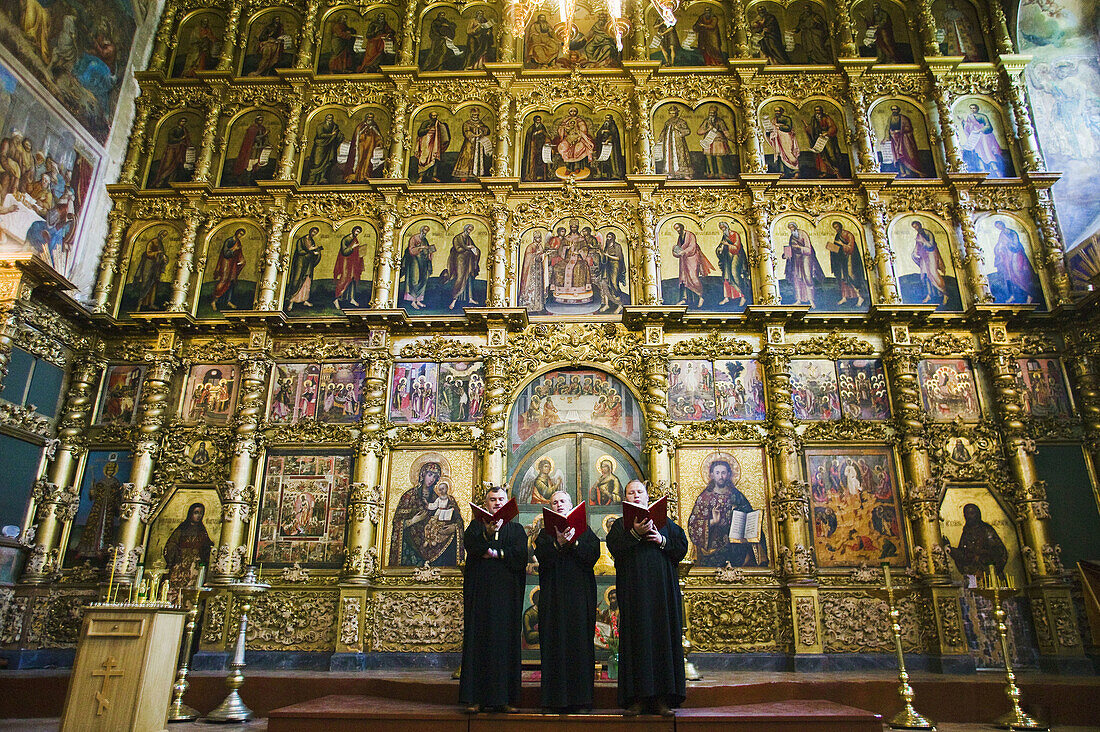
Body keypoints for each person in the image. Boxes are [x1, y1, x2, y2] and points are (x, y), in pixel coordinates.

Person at [607, 480, 688, 716]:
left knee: (662, 639)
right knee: (637, 641)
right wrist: (635, 533)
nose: (635, 496)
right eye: (631, 493)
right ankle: (637, 699)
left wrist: (661, 540)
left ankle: (663, 700)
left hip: (662, 595)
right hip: (634, 595)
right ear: (625, 498)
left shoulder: (664, 523)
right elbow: (615, 547)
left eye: (639, 492)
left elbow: (681, 546)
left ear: (646, 496)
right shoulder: (620, 525)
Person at [459, 486, 528, 713]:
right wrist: (488, 535)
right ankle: (475, 698)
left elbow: (519, 556)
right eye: (492, 499)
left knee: (505, 644)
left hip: (507, 599)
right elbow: (472, 545)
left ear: (507, 503)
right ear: (485, 504)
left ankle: (505, 699)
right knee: (478, 642)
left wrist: (495, 553)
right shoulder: (475, 527)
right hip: (481, 597)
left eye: (501, 499)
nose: (497, 503)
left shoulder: (516, 530)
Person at [535, 490, 599, 713]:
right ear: (550, 508)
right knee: (554, 645)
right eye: (554, 502)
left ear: (571, 505)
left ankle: (582, 700)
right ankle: (555, 700)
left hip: (580, 600)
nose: (559, 504)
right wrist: (558, 543)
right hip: (553, 602)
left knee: (580, 646)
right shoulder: (544, 534)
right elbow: (542, 556)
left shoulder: (585, 531)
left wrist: (574, 543)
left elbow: (592, 556)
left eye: (563, 501)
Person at [687, 459, 765, 567]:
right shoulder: (704, 498)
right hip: (712, 550)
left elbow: (750, 517)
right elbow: (693, 525)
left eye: (723, 473)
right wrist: (713, 522)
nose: (721, 476)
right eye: (717, 473)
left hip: (736, 548)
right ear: (711, 475)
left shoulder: (737, 496)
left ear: (728, 474)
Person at [388, 460, 465, 566]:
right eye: (429, 475)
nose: (431, 479)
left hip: (434, 542)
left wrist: (454, 527)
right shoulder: (409, 496)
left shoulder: (437, 498)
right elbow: (397, 523)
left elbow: (456, 520)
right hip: (412, 547)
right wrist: (413, 521)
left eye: (435, 477)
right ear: (423, 475)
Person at [163, 502, 214, 601]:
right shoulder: (182, 529)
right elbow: (171, 544)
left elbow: (206, 546)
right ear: (190, 513)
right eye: (196, 513)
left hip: (194, 566)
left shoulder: (202, 531)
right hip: (180, 564)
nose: (198, 516)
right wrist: (177, 553)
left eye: (200, 513)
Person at [946, 503, 1009, 577]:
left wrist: (981, 557)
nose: (969, 516)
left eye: (972, 513)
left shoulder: (986, 530)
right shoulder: (967, 532)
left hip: (988, 575)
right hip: (973, 575)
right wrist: (951, 550)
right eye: (966, 514)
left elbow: (999, 552)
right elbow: (964, 555)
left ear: (978, 514)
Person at [992, 220, 1041, 304]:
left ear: (1002, 224)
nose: (999, 227)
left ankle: (1030, 295)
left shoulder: (1011, 232)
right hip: (1008, 258)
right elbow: (999, 245)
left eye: (999, 225)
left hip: (1016, 255)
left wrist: (1007, 245)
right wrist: (999, 250)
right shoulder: (1002, 235)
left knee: (1020, 274)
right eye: (997, 226)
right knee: (1010, 276)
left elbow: (1016, 244)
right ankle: (1013, 295)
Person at [672, 221, 714, 308]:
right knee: (683, 278)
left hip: (692, 258)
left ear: (682, 227)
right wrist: (676, 252)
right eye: (676, 229)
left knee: (693, 276)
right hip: (684, 260)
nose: (678, 230)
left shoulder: (690, 235)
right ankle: (684, 299)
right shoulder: (680, 237)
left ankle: (701, 296)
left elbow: (692, 247)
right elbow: (679, 248)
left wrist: (684, 251)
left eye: (678, 228)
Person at [783, 221, 824, 306]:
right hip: (796, 260)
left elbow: (808, 250)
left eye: (792, 227)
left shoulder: (803, 234)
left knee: (807, 278)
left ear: (795, 227)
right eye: (790, 228)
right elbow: (790, 248)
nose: (791, 229)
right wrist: (786, 254)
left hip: (806, 258)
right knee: (796, 278)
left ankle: (811, 300)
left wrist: (799, 247)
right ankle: (798, 299)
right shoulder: (792, 237)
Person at [960, 103, 1006, 177]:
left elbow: (988, 126)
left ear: (977, 109)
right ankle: (982, 169)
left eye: (974, 108)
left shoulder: (983, 116)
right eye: (971, 108)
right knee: (979, 151)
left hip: (984, 136)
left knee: (987, 151)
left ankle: (995, 169)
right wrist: (963, 122)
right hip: (975, 137)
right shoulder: (970, 117)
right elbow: (968, 127)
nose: (972, 110)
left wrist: (980, 130)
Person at [828, 221, 865, 307]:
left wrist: (841, 244)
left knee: (850, 276)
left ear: (840, 226)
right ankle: (844, 297)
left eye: (837, 227)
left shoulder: (848, 235)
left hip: (849, 259)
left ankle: (860, 297)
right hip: (841, 259)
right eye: (835, 227)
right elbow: (838, 247)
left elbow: (850, 248)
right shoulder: (837, 235)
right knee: (842, 278)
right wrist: (832, 248)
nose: (836, 229)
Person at [444, 223, 481, 309]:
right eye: (469, 229)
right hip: (460, 260)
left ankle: (470, 298)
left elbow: (475, 249)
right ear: (465, 229)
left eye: (471, 230)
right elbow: (458, 249)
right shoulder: (458, 238)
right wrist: (468, 247)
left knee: (469, 278)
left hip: (469, 261)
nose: (469, 231)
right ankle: (454, 299)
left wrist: (475, 250)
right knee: (460, 278)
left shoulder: (469, 238)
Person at [910, 220, 947, 304]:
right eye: (914, 227)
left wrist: (923, 242)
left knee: (933, 273)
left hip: (931, 255)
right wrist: (914, 253)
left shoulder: (928, 233)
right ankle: (929, 294)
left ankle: (944, 293)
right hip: (924, 256)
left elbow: (931, 245)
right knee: (924, 274)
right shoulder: (918, 235)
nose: (916, 229)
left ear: (920, 225)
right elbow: (917, 246)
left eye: (916, 226)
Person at [286, 226, 323, 311]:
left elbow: (311, 253)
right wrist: (309, 250)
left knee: (307, 280)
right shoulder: (301, 240)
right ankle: (291, 301)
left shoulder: (312, 241)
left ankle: (304, 299)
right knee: (297, 279)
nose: (314, 234)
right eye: (313, 232)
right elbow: (299, 251)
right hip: (300, 263)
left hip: (308, 264)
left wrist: (315, 253)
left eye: (315, 233)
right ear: (310, 231)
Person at [131, 229, 169, 311]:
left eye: (165, 235)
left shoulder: (160, 243)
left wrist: (164, 258)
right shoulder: (153, 242)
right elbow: (148, 253)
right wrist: (158, 253)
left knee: (154, 284)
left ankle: (150, 304)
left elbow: (161, 254)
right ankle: (140, 304)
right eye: (163, 235)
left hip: (156, 266)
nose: (163, 237)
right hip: (148, 265)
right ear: (160, 234)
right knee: (146, 283)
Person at [884, 105, 924, 178]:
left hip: (904, 140)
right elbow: (887, 128)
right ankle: (902, 172)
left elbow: (909, 128)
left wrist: (900, 131)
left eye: (895, 110)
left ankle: (909, 171)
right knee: (897, 156)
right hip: (894, 139)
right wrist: (886, 138)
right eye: (892, 110)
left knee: (906, 155)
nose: (894, 111)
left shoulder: (904, 118)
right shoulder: (890, 119)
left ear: (898, 110)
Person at [211, 228, 246, 310]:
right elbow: (226, 253)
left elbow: (239, 254)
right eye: (240, 234)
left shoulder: (238, 242)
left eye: (242, 234)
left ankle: (228, 301)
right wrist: (234, 249)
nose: (240, 236)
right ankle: (214, 301)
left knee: (232, 281)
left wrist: (241, 261)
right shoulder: (229, 241)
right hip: (226, 262)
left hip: (233, 263)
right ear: (236, 233)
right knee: (224, 280)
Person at [715, 221, 749, 306]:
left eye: (724, 227)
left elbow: (737, 247)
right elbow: (721, 246)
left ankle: (743, 296)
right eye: (721, 228)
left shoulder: (735, 234)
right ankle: (727, 297)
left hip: (736, 256)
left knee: (734, 274)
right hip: (727, 258)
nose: (723, 229)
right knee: (726, 276)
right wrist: (720, 249)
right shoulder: (724, 236)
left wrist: (728, 245)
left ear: (727, 227)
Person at [344, 112, 385, 182]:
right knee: (360, 160)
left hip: (370, 147)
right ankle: (357, 175)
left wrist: (380, 143)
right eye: (369, 117)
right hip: (361, 146)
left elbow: (379, 137)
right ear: (366, 118)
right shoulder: (361, 126)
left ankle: (365, 175)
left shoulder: (374, 126)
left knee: (367, 161)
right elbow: (357, 135)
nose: (370, 119)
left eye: (371, 118)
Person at [151, 117, 192, 187]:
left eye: (184, 122)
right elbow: (171, 139)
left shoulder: (185, 130)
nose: (183, 123)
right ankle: (161, 179)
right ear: (179, 122)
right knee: (168, 164)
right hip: (172, 149)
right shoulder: (174, 130)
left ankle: (172, 180)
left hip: (181, 149)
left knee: (178, 164)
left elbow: (187, 140)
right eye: (182, 121)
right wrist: (181, 139)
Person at [452, 109, 491, 181]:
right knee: (466, 158)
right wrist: (473, 135)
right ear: (471, 115)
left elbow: (487, 130)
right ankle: (464, 174)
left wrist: (481, 128)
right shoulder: (467, 123)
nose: (475, 116)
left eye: (476, 115)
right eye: (474, 115)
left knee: (478, 158)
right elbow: (466, 131)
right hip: (470, 144)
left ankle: (477, 174)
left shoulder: (480, 123)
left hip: (478, 144)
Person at [401, 225, 434, 308]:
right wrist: (420, 248)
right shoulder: (414, 238)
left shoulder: (425, 240)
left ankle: (418, 300)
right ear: (421, 229)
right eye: (424, 230)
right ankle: (413, 301)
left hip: (423, 261)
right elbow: (411, 249)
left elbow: (426, 251)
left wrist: (430, 252)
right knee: (414, 279)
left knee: (423, 279)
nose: (425, 232)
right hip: (414, 261)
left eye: (427, 231)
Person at [305, 114, 344, 185]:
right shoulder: (320, 126)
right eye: (328, 118)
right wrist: (331, 135)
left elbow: (338, 134)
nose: (329, 119)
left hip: (330, 147)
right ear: (325, 118)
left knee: (328, 162)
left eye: (331, 118)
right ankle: (312, 178)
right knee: (316, 162)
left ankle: (322, 177)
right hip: (320, 146)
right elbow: (320, 135)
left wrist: (340, 136)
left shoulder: (334, 126)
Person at [805, 105, 842, 178]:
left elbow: (833, 127)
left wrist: (827, 133)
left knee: (830, 154)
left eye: (818, 110)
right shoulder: (814, 119)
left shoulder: (826, 118)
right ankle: (825, 171)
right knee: (821, 156)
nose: (817, 112)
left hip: (827, 138)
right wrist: (807, 127)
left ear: (821, 111)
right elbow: (812, 128)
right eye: (816, 111)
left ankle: (836, 171)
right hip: (819, 138)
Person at [696, 106, 734, 179]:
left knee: (718, 157)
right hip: (708, 140)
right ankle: (710, 173)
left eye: (713, 113)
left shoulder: (720, 121)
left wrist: (732, 139)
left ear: (716, 113)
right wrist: (708, 129)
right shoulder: (707, 121)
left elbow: (725, 132)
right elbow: (699, 131)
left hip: (718, 141)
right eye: (710, 113)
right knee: (708, 156)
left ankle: (721, 173)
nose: (712, 114)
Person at [555, 108, 595, 174]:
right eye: (571, 111)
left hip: (578, 139)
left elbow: (583, 131)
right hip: (568, 139)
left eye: (574, 111)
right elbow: (562, 131)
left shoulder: (580, 121)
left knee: (578, 149)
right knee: (564, 147)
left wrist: (578, 138)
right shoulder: (566, 121)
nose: (573, 113)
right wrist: (563, 129)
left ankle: (577, 167)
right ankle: (568, 168)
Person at [333, 225, 365, 309]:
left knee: (353, 279)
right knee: (344, 278)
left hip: (352, 263)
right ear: (353, 230)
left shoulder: (355, 239)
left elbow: (356, 251)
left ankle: (351, 298)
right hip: (346, 262)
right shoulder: (346, 239)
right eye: (357, 231)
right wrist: (352, 247)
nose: (357, 233)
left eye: (359, 232)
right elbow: (344, 251)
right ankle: (336, 298)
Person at [414, 111, 451, 182]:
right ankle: (421, 176)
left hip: (435, 142)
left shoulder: (438, 123)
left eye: (435, 116)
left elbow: (442, 133)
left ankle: (433, 176)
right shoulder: (426, 123)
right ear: (430, 116)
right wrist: (426, 130)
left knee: (434, 158)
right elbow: (420, 132)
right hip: (426, 142)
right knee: (424, 158)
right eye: (433, 116)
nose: (434, 117)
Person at [659, 106, 693, 179]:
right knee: (669, 156)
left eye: (673, 113)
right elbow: (664, 131)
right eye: (670, 113)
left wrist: (678, 128)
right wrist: (660, 138)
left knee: (680, 157)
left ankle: (682, 173)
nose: (672, 115)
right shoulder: (667, 122)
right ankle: (670, 172)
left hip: (678, 143)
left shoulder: (681, 121)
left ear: (677, 113)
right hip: (668, 142)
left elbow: (687, 131)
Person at [518, 230, 547, 312]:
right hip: (531, 272)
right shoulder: (530, 246)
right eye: (538, 238)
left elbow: (541, 257)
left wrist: (543, 255)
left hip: (538, 270)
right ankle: (529, 305)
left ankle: (539, 306)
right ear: (534, 238)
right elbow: (528, 257)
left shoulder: (540, 246)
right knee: (531, 287)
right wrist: (536, 254)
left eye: (540, 237)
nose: (540, 239)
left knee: (539, 287)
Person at [766, 106, 799, 178]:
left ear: (782, 111)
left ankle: (794, 171)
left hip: (786, 137)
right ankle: (782, 171)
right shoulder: (774, 120)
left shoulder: (787, 119)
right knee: (780, 153)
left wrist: (779, 127)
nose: (777, 113)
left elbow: (789, 128)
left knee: (788, 153)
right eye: (776, 111)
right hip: (778, 138)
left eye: (778, 111)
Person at [594, 115, 626, 180]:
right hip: (604, 146)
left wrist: (608, 139)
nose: (607, 120)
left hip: (612, 148)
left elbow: (614, 135)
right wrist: (601, 132)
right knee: (604, 159)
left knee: (612, 160)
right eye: (606, 118)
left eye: (608, 118)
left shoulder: (613, 126)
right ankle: (604, 174)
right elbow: (598, 133)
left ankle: (615, 173)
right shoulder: (604, 125)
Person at [521, 115, 551, 181]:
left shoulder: (542, 127)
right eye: (537, 120)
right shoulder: (531, 128)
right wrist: (536, 133)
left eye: (539, 120)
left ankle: (542, 177)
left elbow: (546, 134)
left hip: (541, 147)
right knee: (533, 162)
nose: (538, 121)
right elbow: (529, 137)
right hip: (533, 148)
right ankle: (532, 176)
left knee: (542, 161)